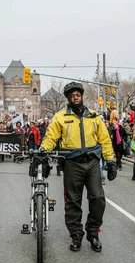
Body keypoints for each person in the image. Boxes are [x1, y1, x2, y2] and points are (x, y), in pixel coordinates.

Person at [40, 81, 116, 252]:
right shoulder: (60, 117)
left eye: (78, 95)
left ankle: (93, 233)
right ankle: (76, 235)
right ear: (68, 98)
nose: (75, 97)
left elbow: (104, 139)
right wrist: (44, 151)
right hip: (72, 162)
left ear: (81, 97)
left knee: (97, 198)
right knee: (73, 201)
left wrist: (110, 161)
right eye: (72, 95)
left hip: (92, 162)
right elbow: (51, 137)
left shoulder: (94, 116)